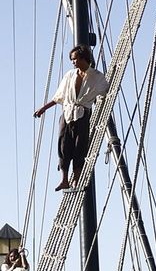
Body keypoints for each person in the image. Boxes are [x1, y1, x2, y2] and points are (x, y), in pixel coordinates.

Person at [34, 45, 107, 191]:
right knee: (63, 146)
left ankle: (77, 179)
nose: (73, 62)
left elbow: (104, 91)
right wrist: (43, 109)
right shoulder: (70, 75)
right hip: (67, 114)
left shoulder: (97, 76)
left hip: (82, 113)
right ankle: (64, 179)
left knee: (80, 146)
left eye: (74, 59)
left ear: (82, 58)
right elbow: (58, 97)